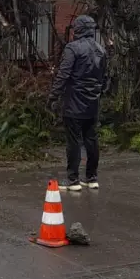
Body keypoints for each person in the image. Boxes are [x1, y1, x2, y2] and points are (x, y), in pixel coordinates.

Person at [48, 15, 108, 192]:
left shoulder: (72, 48)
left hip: (74, 102)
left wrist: (53, 96)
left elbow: (63, 75)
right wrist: (97, 93)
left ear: (78, 30)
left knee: (74, 141)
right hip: (92, 103)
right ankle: (92, 177)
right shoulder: (101, 49)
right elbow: (104, 78)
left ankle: (73, 180)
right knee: (91, 139)